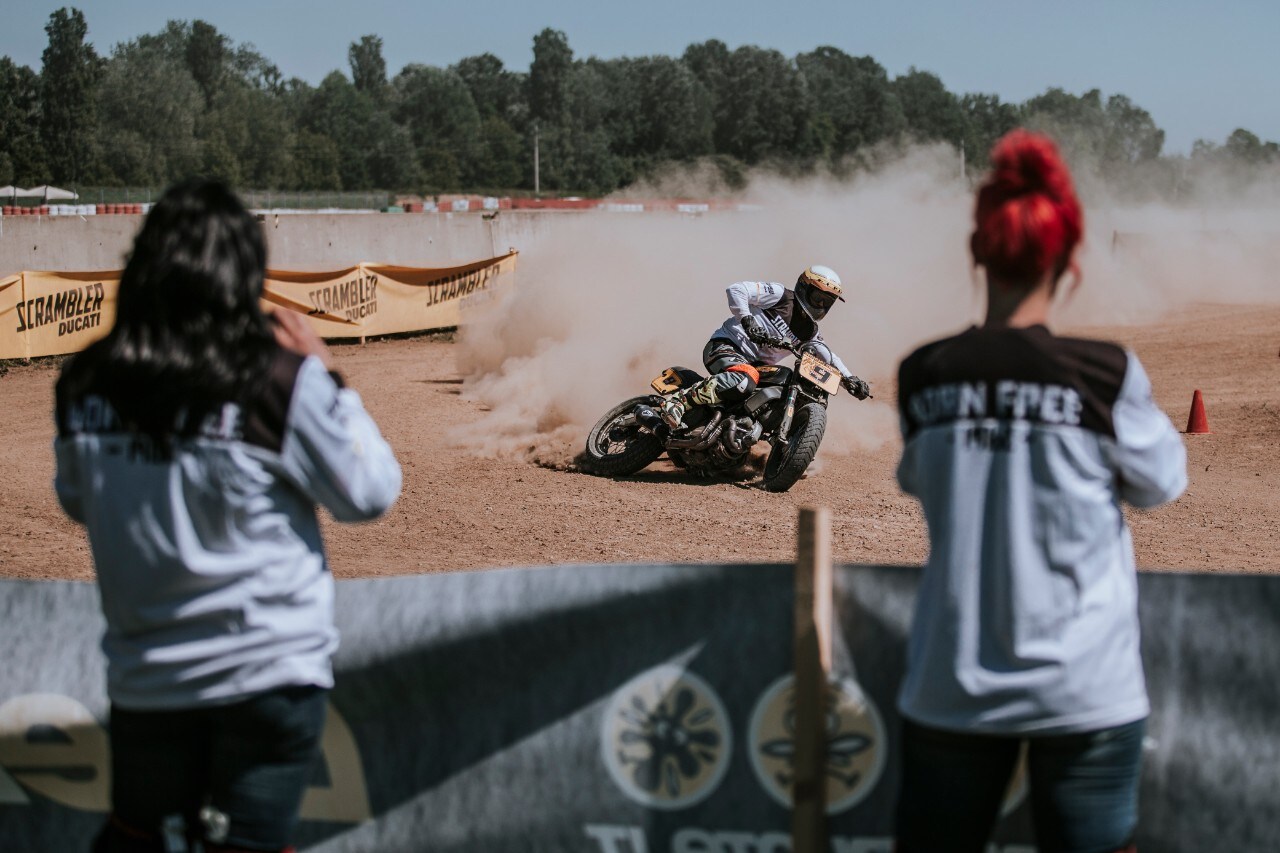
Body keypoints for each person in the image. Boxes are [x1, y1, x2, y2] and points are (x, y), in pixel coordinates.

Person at [53, 179, 402, 853]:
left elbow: (75, 499)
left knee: (137, 836)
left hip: (150, 677)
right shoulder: (278, 378)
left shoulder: (86, 381)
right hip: (269, 671)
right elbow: (368, 492)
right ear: (243, 272)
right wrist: (330, 380)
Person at [892, 130, 1186, 853]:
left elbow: (920, 481)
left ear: (977, 253)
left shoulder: (925, 373)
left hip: (953, 683)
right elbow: (1162, 484)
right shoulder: (1104, 374)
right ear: (1069, 261)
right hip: (1088, 688)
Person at [657, 265, 871, 429]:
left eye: (827, 302)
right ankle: (678, 402)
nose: (821, 306)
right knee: (745, 378)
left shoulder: (810, 331)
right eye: (818, 298)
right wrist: (747, 320)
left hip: (757, 370)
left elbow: (827, 355)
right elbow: (737, 289)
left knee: (782, 388)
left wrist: (849, 379)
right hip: (727, 346)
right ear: (804, 287)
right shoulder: (781, 296)